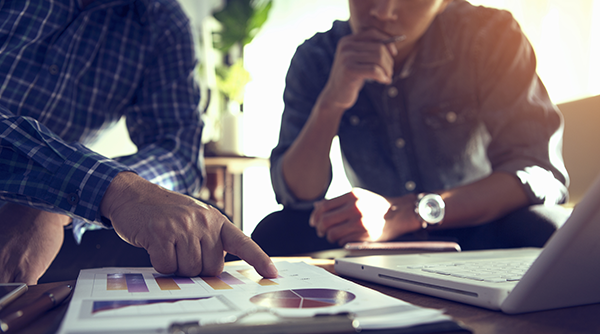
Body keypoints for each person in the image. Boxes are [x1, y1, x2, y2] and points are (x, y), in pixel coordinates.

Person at [251, 0, 571, 256]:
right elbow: (296, 195)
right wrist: (332, 101)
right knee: (275, 232)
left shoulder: (490, 36)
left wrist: (404, 212)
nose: (382, 11)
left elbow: (539, 173)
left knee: (549, 227)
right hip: (372, 239)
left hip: (473, 222)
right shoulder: (316, 57)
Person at [0, 0, 277, 284]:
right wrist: (107, 189)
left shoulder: (161, 21)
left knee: (202, 235)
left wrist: (58, 202)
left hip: (54, 222)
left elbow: (178, 154)